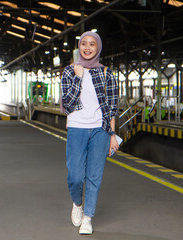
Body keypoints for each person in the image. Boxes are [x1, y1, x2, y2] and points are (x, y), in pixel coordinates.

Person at [61, 31, 119, 234]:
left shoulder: (106, 73)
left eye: (92, 44)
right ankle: (77, 203)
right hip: (76, 127)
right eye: (83, 44)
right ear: (79, 47)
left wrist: (112, 134)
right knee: (75, 175)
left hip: (100, 130)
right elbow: (67, 104)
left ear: (98, 48)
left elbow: (112, 107)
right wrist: (78, 78)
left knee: (94, 176)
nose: (87, 47)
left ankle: (88, 217)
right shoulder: (70, 71)